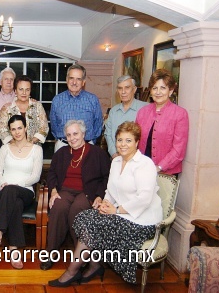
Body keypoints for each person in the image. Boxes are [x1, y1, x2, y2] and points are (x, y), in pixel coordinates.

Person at [48, 122, 162, 286]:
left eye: (128, 140)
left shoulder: (145, 164)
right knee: (83, 217)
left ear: (137, 142)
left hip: (141, 220)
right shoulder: (116, 162)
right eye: (120, 140)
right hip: (120, 212)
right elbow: (110, 189)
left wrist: (115, 210)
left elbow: (143, 199)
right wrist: (104, 202)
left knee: (94, 224)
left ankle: (71, 271)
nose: (123, 144)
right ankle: (94, 265)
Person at [40, 119, 110, 271]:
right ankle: (51, 252)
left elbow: (106, 177)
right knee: (58, 206)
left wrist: (99, 195)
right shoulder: (61, 153)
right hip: (64, 190)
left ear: (83, 134)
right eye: (69, 135)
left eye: (75, 134)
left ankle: (81, 256)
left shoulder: (97, 153)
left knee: (76, 210)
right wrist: (53, 191)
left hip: (87, 192)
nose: (72, 138)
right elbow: (51, 174)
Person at [0, 115, 43, 269]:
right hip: (2, 190)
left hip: (25, 191)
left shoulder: (36, 150)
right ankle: (14, 249)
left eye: (20, 128)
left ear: (25, 128)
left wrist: (14, 184)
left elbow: (35, 176)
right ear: (10, 131)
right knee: (15, 204)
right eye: (13, 129)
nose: (17, 132)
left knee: (14, 193)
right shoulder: (4, 148)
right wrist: (3, 183)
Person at [135, 69, 189, 176]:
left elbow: (179, 149)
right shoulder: (142, 112)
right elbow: (134, 140)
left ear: (171, 91)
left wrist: (159, 167)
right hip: (141, 170)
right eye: (154, 88)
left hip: (166, 174)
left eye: (163, 88)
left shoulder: (180, 114)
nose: (158, 92)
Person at [50, 64, 103, 151]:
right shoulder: (57, 100)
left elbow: (98, 124)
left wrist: (91, 141)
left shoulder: (92, 99)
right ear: (67, 80)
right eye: (71, 78)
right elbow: (54, 126)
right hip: (63, 146)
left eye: (78, 79)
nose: (74, 82)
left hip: (87, 147)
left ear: (83, 82)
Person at [104, 75, 148, 158]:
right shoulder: (113, 111)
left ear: (134, 89)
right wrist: (114, 154)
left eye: (127, 88)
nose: (123, 92)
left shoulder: (145, 109)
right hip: (116, 158)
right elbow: (108, 134)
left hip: (138, 160)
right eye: (120, 88)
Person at [0, 75, 49, 146]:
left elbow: (44, 128)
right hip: (12, 148)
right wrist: (15, 144)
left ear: (30, 91)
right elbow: (2, 131)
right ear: (15, 90)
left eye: (27, 89)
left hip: (33, 148)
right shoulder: (7, 108)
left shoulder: (37, 106)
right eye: (21, 89)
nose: (24, 93)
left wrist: (31, 143)